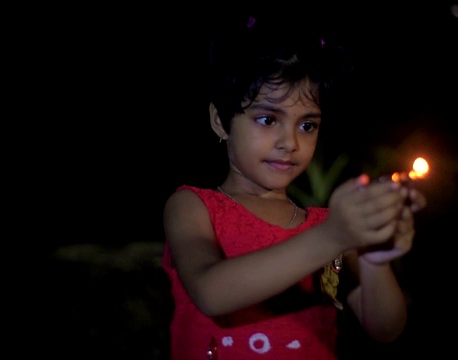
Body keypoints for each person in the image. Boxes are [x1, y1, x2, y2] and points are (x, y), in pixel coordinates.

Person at [162, 13, 427, 360]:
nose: (289, 141)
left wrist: (375, 258)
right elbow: (210, 292)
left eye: (307, 125)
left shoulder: (327, 224)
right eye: (268, 119)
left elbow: (385, 328)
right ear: (220, 121)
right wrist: (334, 236)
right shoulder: (194, 207)